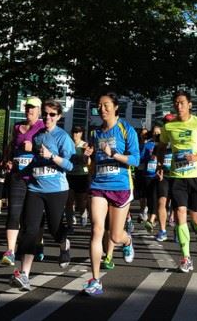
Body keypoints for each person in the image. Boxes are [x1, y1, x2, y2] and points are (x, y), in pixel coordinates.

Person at [10, 99, 75, 291]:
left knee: (55, 229)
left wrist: (52, 157)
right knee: (30, 230)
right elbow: (35, 161)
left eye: (52, 114)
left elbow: (70, 165)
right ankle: (25, 274)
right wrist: (21, 170)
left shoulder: (62, 137)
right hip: (35, 189)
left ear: (59, 117)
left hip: (56, 189)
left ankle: (64, 244)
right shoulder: (37, 136)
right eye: (45, 113)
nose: (48, 117)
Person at [82, 92, 140, 296]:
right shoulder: (96, 133)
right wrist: (87, 156)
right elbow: (92, 163)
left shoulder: (126, 130)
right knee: (97, 230)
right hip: (99, 185)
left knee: (115, 235)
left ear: (116, 107)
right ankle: (95, 280)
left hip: (121, 186)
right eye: (99, 105)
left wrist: (113, 154)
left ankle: (128, 241)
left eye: (106, 105)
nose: (102, 109)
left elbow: (135, 160)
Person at [164, 90, 197, 273]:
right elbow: (162, 145)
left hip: (196, 176)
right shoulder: (169, 126)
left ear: (189, 104)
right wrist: (158, 164)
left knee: (195, 216)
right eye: (176, 103)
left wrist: (196, 157)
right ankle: (186, 257)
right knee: (179, 212)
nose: (179, 106)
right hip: (177, 176)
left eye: (182, 103)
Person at [1, 97, 44, 267]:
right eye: (27, 107)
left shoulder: (43, 127)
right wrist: (9, 160)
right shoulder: (18, 127)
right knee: (13, 212)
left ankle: (38, 243)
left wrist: (32, 148)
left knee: (31, 217)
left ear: (39, 110)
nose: (29, 110)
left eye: (33, 108)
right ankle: (10, 251)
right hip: (18, 175)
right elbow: (13, 146)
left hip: (36, 177)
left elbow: (49, 149)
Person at [65, 126, 91, 228]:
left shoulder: (85, 145)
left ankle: (83, 212)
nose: (75, 134)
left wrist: (84, 158)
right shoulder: (68, 145)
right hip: (70, 175)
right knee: (69, 201)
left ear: (81, 134)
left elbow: (88, 161)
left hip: (82, 176)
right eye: (74, 132)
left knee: (81, 202)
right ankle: (70, 224)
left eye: (78, 132)